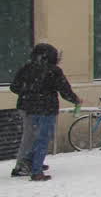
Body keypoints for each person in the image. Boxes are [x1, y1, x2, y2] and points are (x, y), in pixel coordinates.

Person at [9, 43, 80, 181]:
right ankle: (36, 171)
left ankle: (28, 162)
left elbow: (14, 87)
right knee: (43, 139)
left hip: (28, 108)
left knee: (33, 137)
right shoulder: (54, 71)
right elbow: (64, 90)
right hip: (47, 108)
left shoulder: (26, 68)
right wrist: (75, 100)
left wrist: (28, 92)